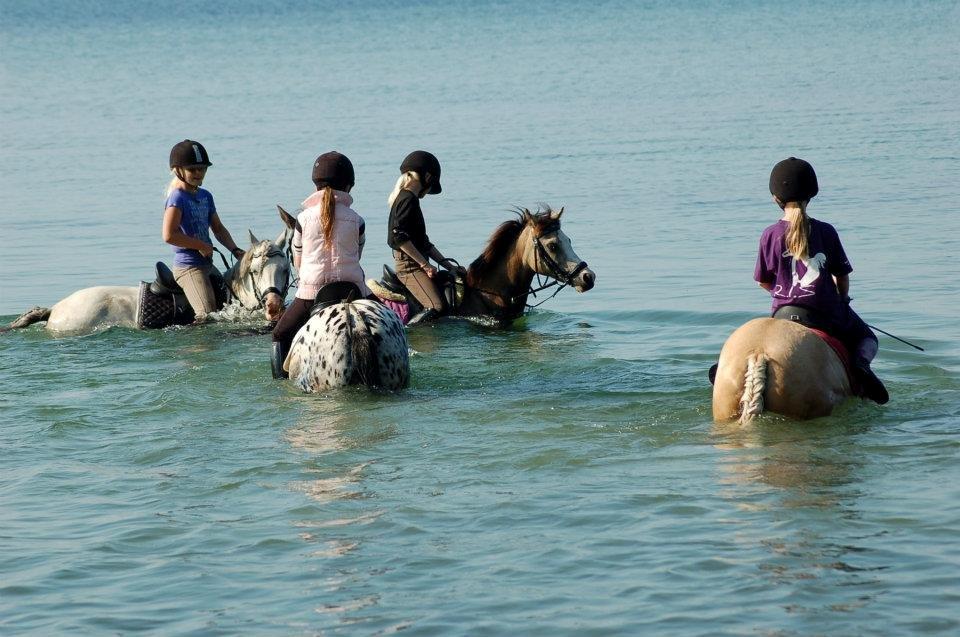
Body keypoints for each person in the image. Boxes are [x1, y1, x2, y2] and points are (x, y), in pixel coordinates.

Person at [754, 157, 888, 404]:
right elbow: (842, 275)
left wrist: (785, 292)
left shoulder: (768, 235)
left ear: (776, 198)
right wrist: (842, 299)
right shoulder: (826, 231)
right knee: (867, 338)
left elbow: (763, 281)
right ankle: (861, 367)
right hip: (824, 313)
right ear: (811, 195)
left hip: (783, 313)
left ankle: (725, 367)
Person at [271, 151, 372, 378]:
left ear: (316, 185)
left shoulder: (303, 219)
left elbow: (298, 260)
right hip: (354, 289)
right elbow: (358, 256)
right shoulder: (357, 220)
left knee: (279, 334)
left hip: (312, 293)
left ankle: (280, 385)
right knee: (392, 321)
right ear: (349, 186)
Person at [161, 139, 245, 322]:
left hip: (207, 264)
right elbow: (168, 235)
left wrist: (235, 250)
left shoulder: (205, 196)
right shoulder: (177, 198)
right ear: (178, 171)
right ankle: (200, 348)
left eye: (202, 169)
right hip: (189, 267)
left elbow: (219, 229)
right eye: (192, 169)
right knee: (208, 316)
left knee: (237, 305)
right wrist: (200, 245)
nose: (198, 173)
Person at [386, 150, 465, 324]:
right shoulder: (407, 199)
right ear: (427, 177)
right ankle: (409, 334)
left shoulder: (409, 199)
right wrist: (426, 265)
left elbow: (424, 243)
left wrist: (449, 266)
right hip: (409, 267)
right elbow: (399, 238)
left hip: (416, 263)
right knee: (437, 307)